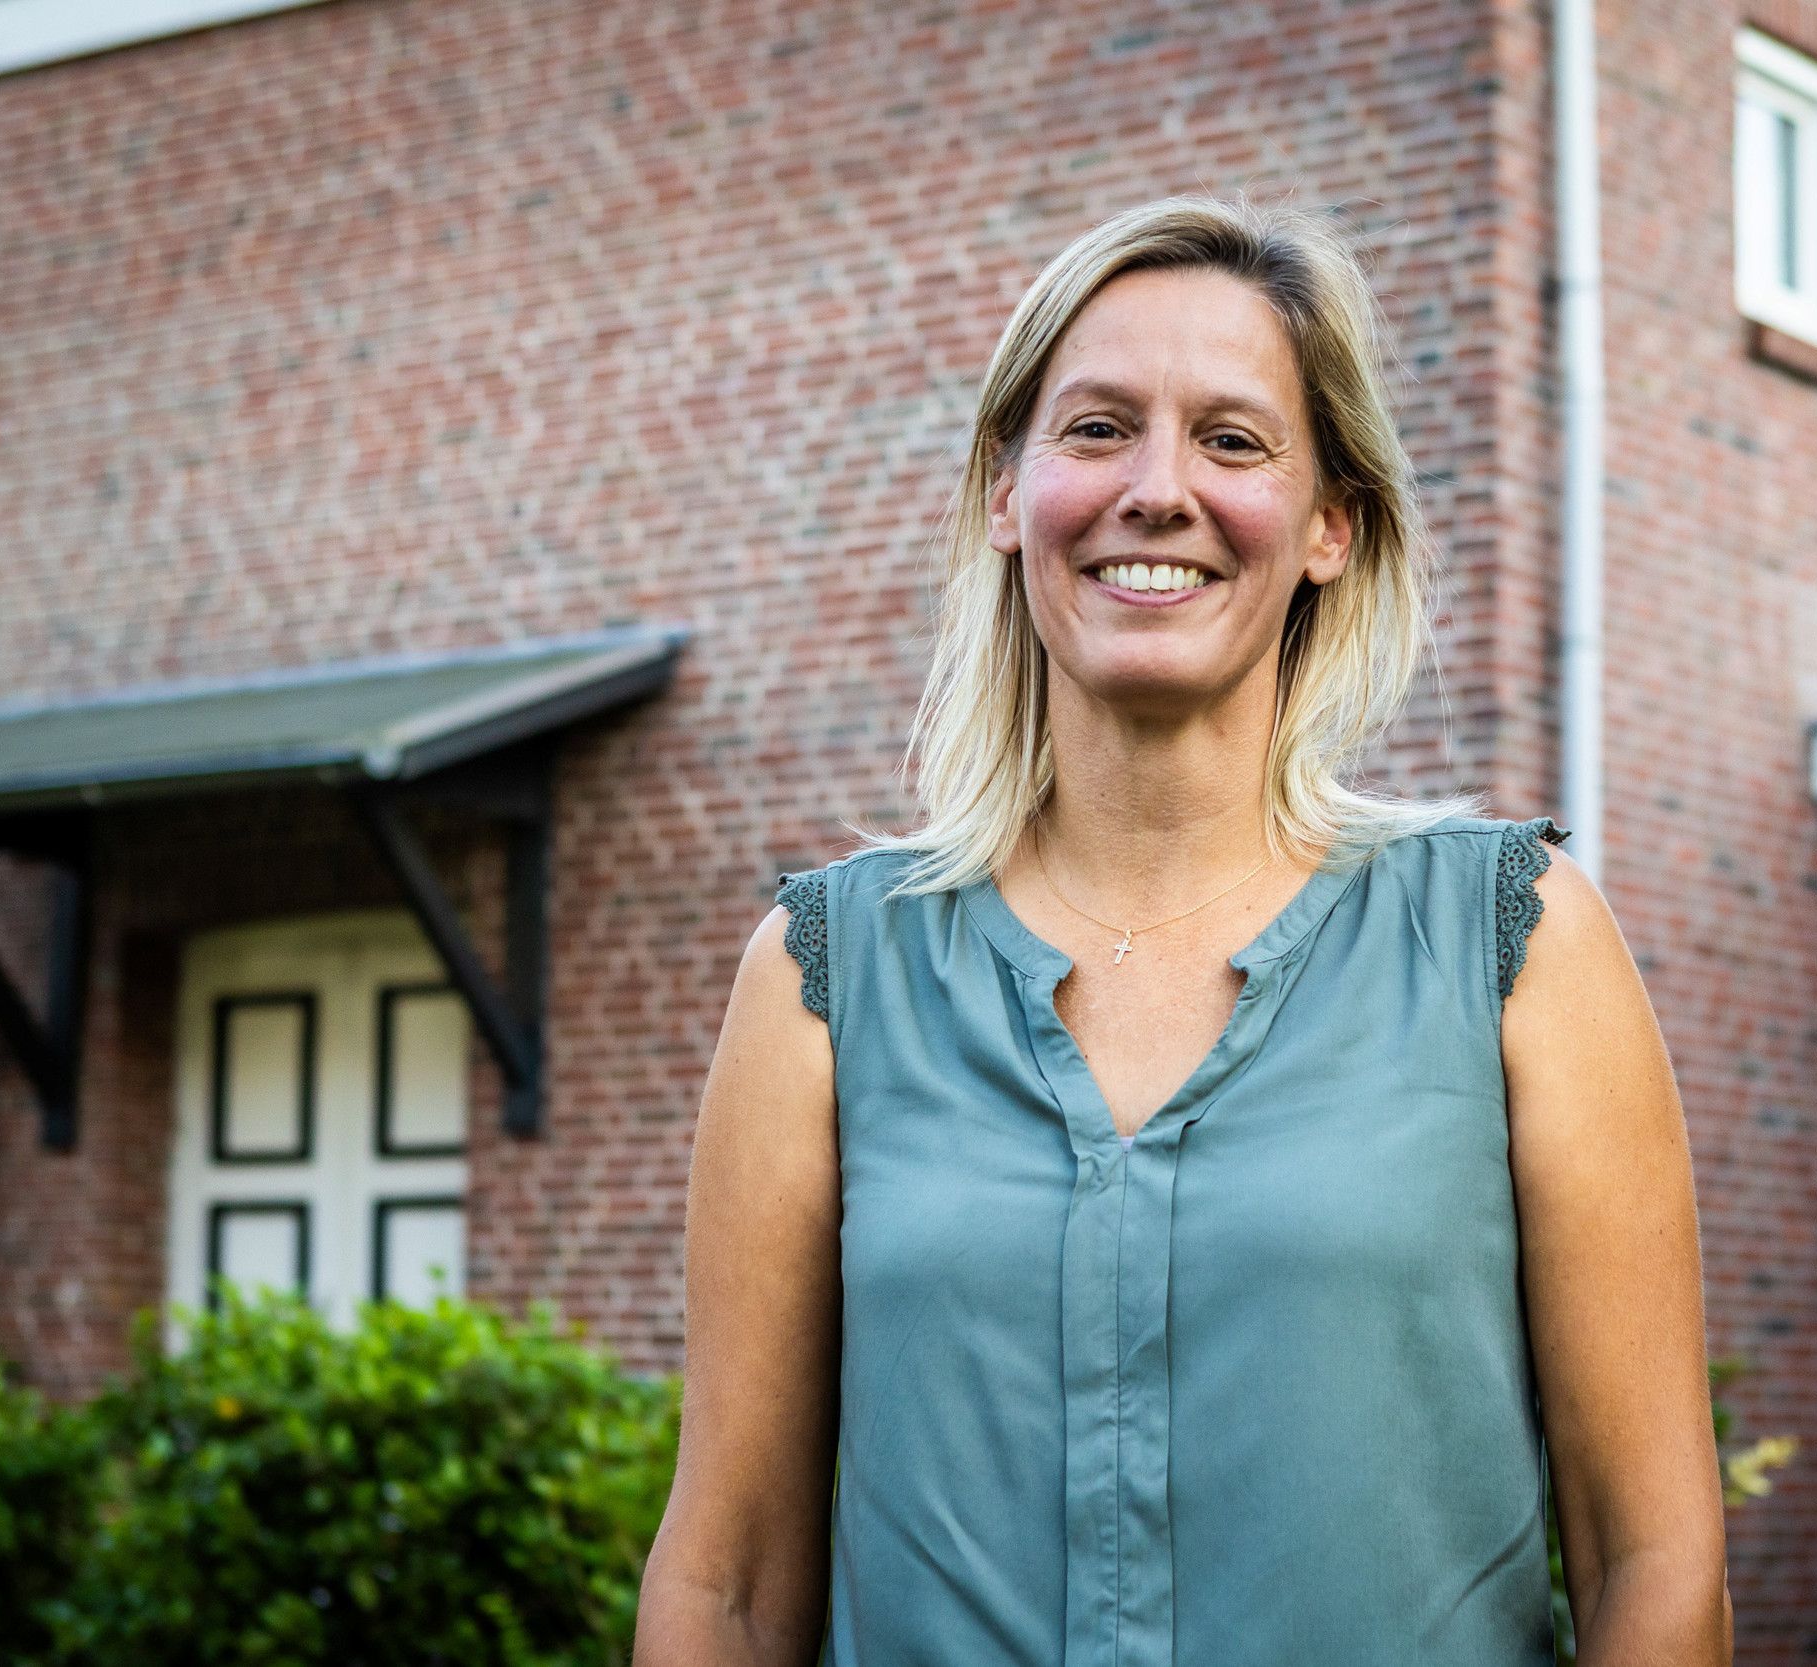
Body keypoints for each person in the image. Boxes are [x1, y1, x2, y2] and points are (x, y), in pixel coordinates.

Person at [635, 194, 1730, 1665]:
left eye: (1232, 440)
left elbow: (1654, 1558)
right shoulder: (828, 979)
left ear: (1332, 523)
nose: (1159, 490)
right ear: (1006, 495)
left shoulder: (1511, 946)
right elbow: (727, 1588)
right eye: (1096, 430)